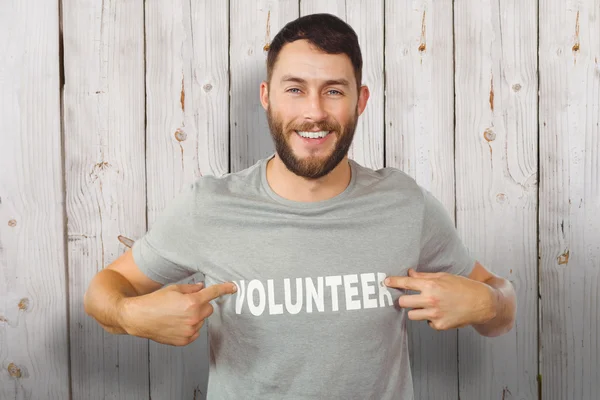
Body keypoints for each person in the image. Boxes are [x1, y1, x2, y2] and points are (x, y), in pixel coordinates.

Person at [84, 13, 516, 399]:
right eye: (295, 89)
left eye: (333, 90)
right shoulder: (209, 207)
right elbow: (105, 288)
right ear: (267, 96)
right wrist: (129, 314)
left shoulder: (406, 204)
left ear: (359, 101)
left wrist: (490, 305)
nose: (314, 112)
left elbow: (499, 303)